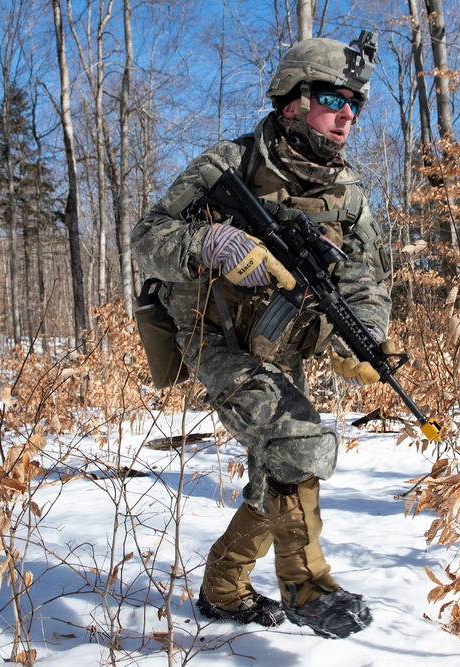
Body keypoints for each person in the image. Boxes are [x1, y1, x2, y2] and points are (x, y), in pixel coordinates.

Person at [132, 32, 392, 639]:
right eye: (333, 96)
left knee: (273, 474)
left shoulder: (347, 195)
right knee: (298, 443)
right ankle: (308, 587)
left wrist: (366, 336)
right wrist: (210, 244)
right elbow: (148, 238)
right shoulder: (229, 162)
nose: (347, 112)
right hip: (214, 333)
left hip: (282, 340)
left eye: (355, 101)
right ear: (292, 101)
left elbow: (365, 280)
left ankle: (223, 590)